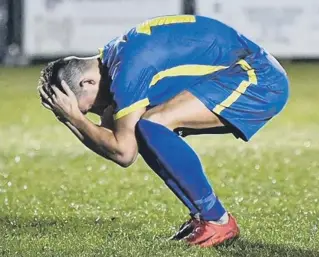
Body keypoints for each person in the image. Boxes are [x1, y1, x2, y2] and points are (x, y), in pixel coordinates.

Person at [38, 15, 289, 247]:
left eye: (88, 108)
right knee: (145, 126)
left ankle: (218, 221)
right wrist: (73, 119)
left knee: (151, 124)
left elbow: (123, 153)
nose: (97, 112)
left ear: (87, 83)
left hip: (259, 79)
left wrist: (74, 120)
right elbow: (114, 139)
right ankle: (205, 217)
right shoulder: (114, 57)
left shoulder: (126, 74)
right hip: (242, 70)